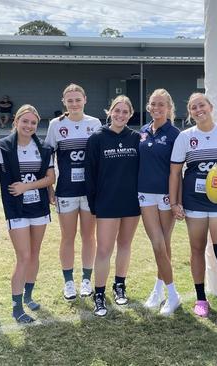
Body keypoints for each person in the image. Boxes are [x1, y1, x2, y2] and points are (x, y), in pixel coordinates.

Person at [169, 92, 217, 331]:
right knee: (196, 249)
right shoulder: (185, 137)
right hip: (194, 203)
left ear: (210, 107)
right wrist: (175, 203)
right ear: (190, 113)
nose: (198, 110)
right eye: (193, 108)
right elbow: (175, 173)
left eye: (201, 105)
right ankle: (201, 298)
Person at [0, 105, 54, 323]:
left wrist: (27, 187)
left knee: (35, 253)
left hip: (39, 206)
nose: (29, 126)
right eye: (25, 121)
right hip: (16, 208)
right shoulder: (1, 147)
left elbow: (50, 178)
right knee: (23, 256)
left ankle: (29, 296)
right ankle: (17, 307)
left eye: (33, 123)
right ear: (15, 121)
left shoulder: (43, 147)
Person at [85, 95, 141, 316]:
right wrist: (94, 203)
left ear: (131, 114)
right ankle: (99, 293)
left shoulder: (136, 138)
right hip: (106, 202)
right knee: (104, 249)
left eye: (125, 112)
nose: (120, 115)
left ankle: (120, 285)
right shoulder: (97, 138)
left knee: (125, 245)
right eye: (117, 111)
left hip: (130, 202)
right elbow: (90, 174)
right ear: (109, 112)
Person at [44, 84, 101, 301]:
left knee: (89, 236)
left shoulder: (94, 123)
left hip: (90, 191)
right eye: (70, 100)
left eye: (78, 99)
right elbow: (48, 156)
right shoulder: (56, 125)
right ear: (64, 102)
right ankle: (68, 282)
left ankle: (86, 280)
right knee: (67, 237)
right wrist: (50, 186)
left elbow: (100, 157)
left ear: (85, 99)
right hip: (66, 190)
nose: (74, 103)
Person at [138, 89, 182, 315]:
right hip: (145, 194)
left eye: (161, 105)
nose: (156, 108)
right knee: (158, 244)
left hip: (167, 195)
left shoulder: (175, 134)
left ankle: (166, 293)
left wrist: (177, 201)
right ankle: (165, 292)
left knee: (162, 244)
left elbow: (179, 171)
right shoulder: (143, 131)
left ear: (169, 108)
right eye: (153, 104)